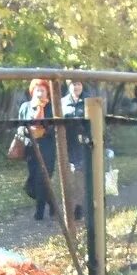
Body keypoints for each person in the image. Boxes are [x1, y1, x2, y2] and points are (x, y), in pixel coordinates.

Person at [16, 78, 58, 222]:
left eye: (43, 90)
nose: (40, 93)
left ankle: (39, 212)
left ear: (47, 92)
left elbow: (55, 129)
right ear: (32, 91)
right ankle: (53, 205)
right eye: (37, 90)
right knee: (32, 184)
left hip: (47, 149)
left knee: (42, 180)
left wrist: (43, 132)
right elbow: (20, 127)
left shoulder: (51, 108)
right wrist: (28, 131)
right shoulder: (25, 107)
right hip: (31, 149)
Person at [60, 79, 89, 222]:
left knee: (82, 177)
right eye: (73, 84)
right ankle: (71, 208)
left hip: (85, 145)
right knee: (70, 177)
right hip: (68, 145)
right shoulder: (62, 102)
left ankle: (81, 207)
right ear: (69, 86)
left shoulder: (88, 100)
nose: (76, 87)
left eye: (79, 84)